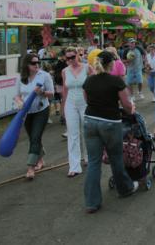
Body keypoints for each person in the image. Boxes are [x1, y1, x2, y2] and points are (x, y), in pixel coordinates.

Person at [82, 51, 138, 213]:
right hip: (110, 123)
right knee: (116, 157)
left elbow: (87, 100)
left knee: (94, 162)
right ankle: (125, 188)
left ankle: (92, 202)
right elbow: (127, 105)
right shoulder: (116, 81)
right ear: (111, 64)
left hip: (90, 121)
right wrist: (131, 109)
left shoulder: (89, 81)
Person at [15, 53, 54, 180]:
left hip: (41, 110)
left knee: (36, 136)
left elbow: (52, 94)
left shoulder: (45, 76)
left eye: (38, 62)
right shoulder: (21, 77)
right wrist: (19, 102)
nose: (37, 65)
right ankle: (41, 160)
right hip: (27, 112)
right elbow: (17, 95)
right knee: (33, 137)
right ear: (26, 64)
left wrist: (42, 92)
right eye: (33, 63)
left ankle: (31, 167)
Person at [62, 47, 94, 177]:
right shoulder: (64, 71)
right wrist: (63, 107)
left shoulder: (87, 68)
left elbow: (95, 84)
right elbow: (64, 90)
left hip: (86, 102)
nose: (70, 60)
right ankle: (74, 166)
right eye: (67, 58)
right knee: (72, 134)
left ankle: (88, 157)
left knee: (87, 131)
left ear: (77, 56)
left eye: (72, 57)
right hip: (70, 103)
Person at [53, 50, 67, 122]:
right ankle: (63, 116)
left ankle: (63, 116)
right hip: (61, 83)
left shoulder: (59, 63)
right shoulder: (63, 63)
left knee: (63, 100)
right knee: (64, 100)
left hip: (61, 83)